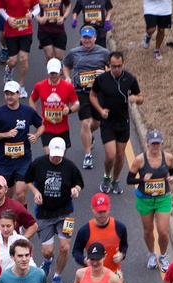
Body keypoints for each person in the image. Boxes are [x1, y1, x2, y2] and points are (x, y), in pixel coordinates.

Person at [27, 138, 82, 283]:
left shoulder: (69, 166)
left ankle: (58, 276)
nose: (56, 158)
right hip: (44, 213)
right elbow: (28, 180)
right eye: (53, 155)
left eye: (59, 155)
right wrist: (35, 191)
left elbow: (79, 183)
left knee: (64, 248)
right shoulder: (38, 164)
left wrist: (76, 190)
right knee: (48, 250)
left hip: (65, 212)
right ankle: (47, 261)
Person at [90, 51, 143, 195]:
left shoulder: (130, 79)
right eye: (113, 66)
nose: (116, 69)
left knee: (120, 155)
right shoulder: (102, 79)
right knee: (111, 154)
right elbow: (92, 95)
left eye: (119, 66)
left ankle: (115, 180)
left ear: (123, 64)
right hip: (108, 121)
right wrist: (100, 111)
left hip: (123, 122)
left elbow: (141, 97)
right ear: (109, 65)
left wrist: (135, 99)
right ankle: (107, 176)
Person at [0, 80, 43, 204]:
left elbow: (41, 125)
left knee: (20, 194)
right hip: (4, 162)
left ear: (18, 94)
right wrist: (5, 134)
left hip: (23, 160)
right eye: (6, 94)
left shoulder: (28, 111)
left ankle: (22, 223)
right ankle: (8, 221)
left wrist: (36, 136)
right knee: (7, 196)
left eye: (12, 94)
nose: (9, 97)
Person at [62, 27, 111, 170]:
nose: (87, 40)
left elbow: (115, 68)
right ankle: (87, 155)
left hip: (97, 93)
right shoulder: (74, 53)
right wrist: (67, 77)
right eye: (84, 37)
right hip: (81, 91)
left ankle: (89, 137)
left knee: (96, 123)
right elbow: (65, 65)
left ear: (95, 37)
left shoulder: (103, 52)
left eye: (89, 37)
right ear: (80, 38)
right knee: (85, 123)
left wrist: (105, 73)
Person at [127, 129, 173, 271]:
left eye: (157, 144)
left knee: (163, 231)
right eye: (152, 143)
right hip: (145, 199)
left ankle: (163, 255)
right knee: (148, 230)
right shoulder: (139, 160)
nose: (155, 146)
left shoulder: (168, 158)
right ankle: (152, 254)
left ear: (161, 144)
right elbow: (129, 179)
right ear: (147, 143)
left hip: (162, 198)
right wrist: (142, 179)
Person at [29, 58, 79, 156]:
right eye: (51, 73)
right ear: (47, 72)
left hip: (63, 129)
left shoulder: (68, 87)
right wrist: (34, 115)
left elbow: (76, 104)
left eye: (56, 73)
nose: (54, 75)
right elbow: (32, 99)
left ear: (60, 71)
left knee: (60, 158)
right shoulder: (40, 86)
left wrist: (69, 110)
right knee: (50, 156)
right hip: (46, 128)